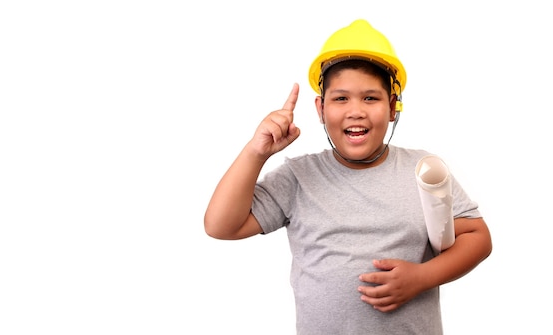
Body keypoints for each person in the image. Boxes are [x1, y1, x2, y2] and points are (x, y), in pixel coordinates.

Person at [203, 18, 492, 335]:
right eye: (341, 98)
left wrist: (422, 277)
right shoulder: (298, 177)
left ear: (393, 107)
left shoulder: (423, 169)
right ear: (321, 109)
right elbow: (221, 226)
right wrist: (256, 152)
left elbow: (477, 238)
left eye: (371, 98)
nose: (356, 110)